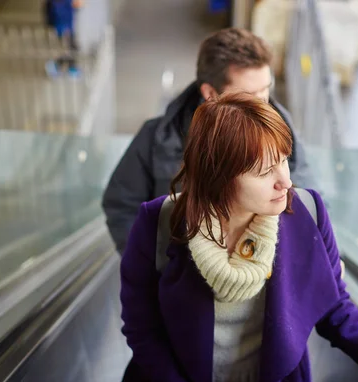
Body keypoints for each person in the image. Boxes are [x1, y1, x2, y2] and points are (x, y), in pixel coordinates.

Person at [117, 92, 358, 382]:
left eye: (284, 160)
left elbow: (333, 303)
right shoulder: (159, 222)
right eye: (264, 172)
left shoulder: (308, 212)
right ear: (217, 175)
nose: (285, 182)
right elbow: (142, 330)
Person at [102, 28, 316, 255]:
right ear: (210, 93)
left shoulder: (281, 127)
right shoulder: (157, 137)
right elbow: (122, 206)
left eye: (266, 89)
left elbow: (310, 202)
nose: (263, 103)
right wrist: (150, 266)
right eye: (250, 95)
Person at [44, 0, 82, 78]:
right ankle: (57, 66)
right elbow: (57, 16)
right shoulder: (57, 3)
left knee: (72, 48)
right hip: (63, 29)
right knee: (69, 50)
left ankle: (71, 68)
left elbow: (77, 5)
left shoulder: (65, 2)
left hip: (68, 28)